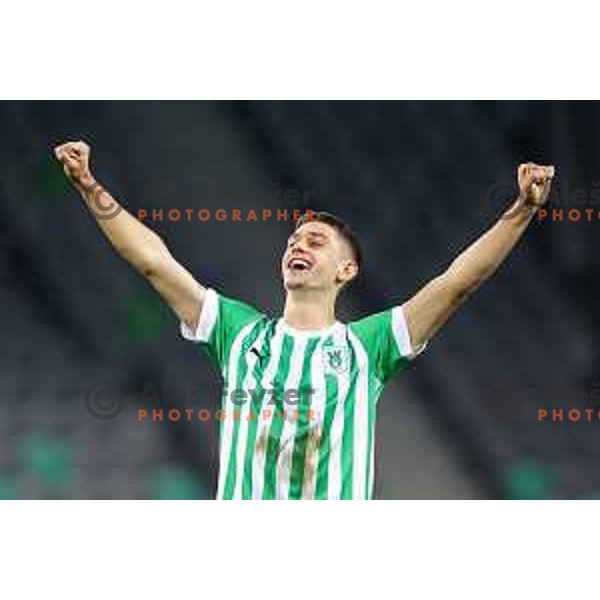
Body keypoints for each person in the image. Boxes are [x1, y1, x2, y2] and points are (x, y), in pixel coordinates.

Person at [54, 140, 555, 500]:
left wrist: (523, 210)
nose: (299, 244)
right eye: (294, 240)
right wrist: (88, 186)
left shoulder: (369, 346)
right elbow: (153, 261)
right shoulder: (238, 333)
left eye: (316, 241)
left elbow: (456, 281)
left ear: (347, 270)